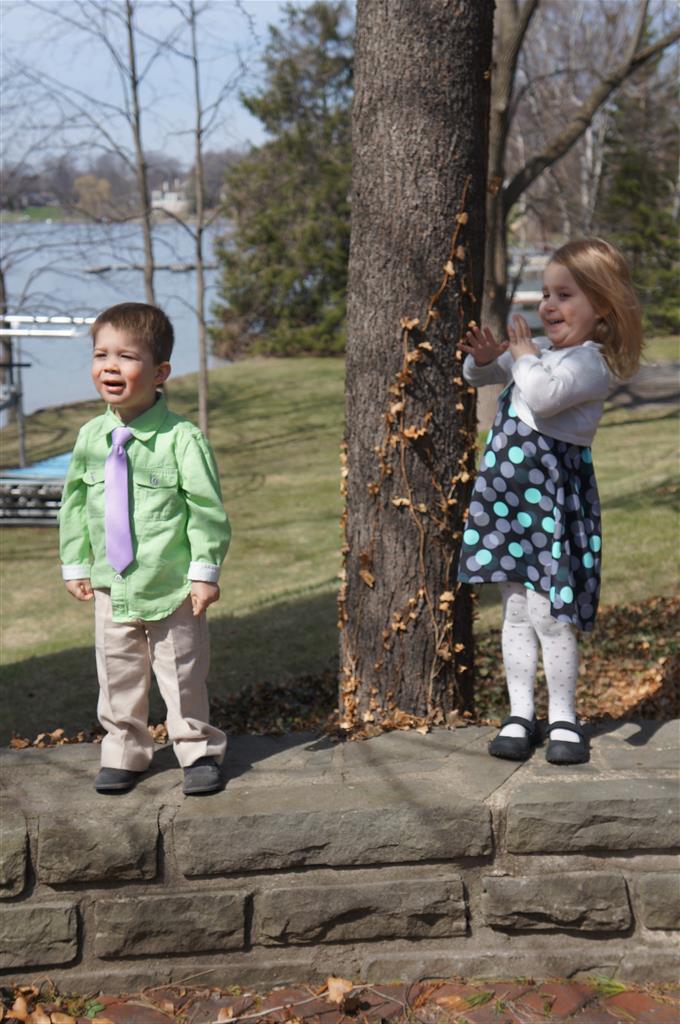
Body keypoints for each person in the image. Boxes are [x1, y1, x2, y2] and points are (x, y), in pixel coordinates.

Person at [457, 238, 642, 765]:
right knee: (516, 610)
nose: (548, 306)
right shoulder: (540, 352)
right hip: (509, 508)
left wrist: (521, 357)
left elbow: (541, 395)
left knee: (551, 615)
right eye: (545, 294)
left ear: (601, 306)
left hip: (550, 510)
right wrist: (483, 360)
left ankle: (563, 717)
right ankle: (520, 714)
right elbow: (481, 376)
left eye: (564, 295)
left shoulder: (589, 364)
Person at [59, 302, 231, 795]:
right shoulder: (91, 438)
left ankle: (197, 749)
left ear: (160, 373)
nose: (110, 367)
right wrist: (75, 563)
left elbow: (206, 510)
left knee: (182, 673)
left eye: (127, 357)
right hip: (111, 585)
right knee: (116, 674)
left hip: (171, 587)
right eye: (101, 355)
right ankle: (124, 751)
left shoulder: (182, 439)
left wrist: (204, 573)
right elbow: (74, 504)